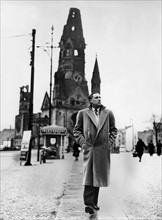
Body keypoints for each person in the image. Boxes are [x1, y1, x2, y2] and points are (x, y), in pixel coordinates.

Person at [73, 92, 117, 215]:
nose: (99, 99)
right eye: (96, 97)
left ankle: (94, 203)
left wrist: (109, 143)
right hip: (90, 148)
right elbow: (77, 130)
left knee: (97, 177)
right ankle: (88, 203)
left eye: (100, 97)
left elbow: (114, 130)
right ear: (90, 100)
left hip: (102, 149)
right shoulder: (83, 113)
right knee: (89, 176)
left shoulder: (108, 113)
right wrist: (83, 143)